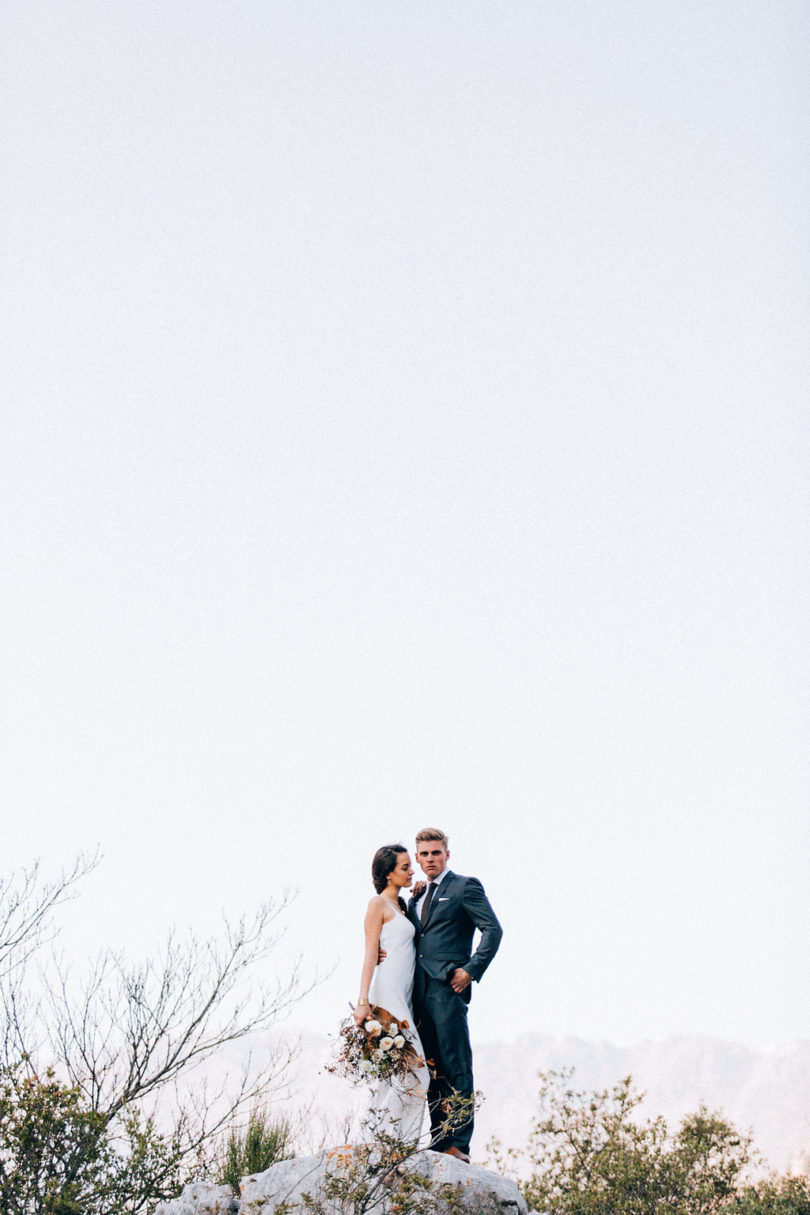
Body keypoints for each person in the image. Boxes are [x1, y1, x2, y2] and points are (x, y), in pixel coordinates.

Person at [408, 828, 502, 1163]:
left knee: (456, 1063)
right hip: (417, 993)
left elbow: (492, 929)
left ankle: (459, 1144)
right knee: (432, 1068)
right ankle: (439, 1138)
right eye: (424, 854)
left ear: (447, 854)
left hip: (448, 988)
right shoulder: (416, 896)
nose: (430, 859)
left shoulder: (464, 887)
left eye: (436, 853)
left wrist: (471, 969)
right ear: (417, 858)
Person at [355, 844, 429, 1142]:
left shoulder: (403, 905)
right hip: (387, 996)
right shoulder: (377, 905)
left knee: (395, 1073)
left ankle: (389, 1141)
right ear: (388, 874)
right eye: (405, 867)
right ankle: (386, 1139)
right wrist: (363, 1003)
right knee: (415, 1072)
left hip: (406, 996)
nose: (412, 871)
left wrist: (419, 894)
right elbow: (370, 952)